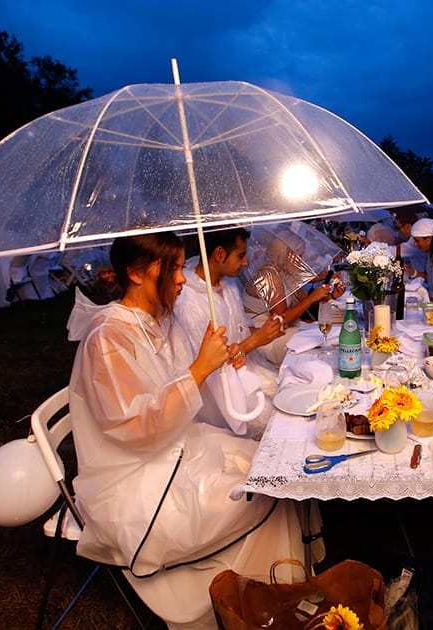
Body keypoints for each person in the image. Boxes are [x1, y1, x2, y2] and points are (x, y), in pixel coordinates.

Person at [67, 233, 312, 629]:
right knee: (264, 489)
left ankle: (275, 596)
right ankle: (255, 604)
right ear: (135, 273)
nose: (182, 279)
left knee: (275, 467)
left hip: (181, 447)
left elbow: (178, 386)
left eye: (182, 267)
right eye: (174, 268)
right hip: (136, 475)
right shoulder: (108, 337)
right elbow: (137, 429)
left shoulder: (159, 319)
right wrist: (200, 367)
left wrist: (219, 359)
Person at [175, 227, 284, 438]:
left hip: (249, 369)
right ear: (219, 254)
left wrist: (266, 331)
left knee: (293, 388)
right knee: (276, 421)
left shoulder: (230, 283)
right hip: (224, 393)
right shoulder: (187, 300)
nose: (245, 263)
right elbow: (210, 366)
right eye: (241, 256)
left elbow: (241, 328)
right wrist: (254, 341)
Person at [242, 232, 345, 365]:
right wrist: (311, 299)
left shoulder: (284, 273)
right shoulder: (268, 276)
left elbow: (305, 304)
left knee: (330, 333)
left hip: (281, 332)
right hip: (266, 339)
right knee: (324, 336)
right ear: (285, 254)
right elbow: (280, 320)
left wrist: (331, 295)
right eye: (300, 255)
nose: (302, 260)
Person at [403, 217, 433, 300]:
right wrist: (410, 271)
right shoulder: (430, 254)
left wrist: (429, 304)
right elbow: (429, 277)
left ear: (429, 239)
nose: (415, 244)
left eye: (417, 241)